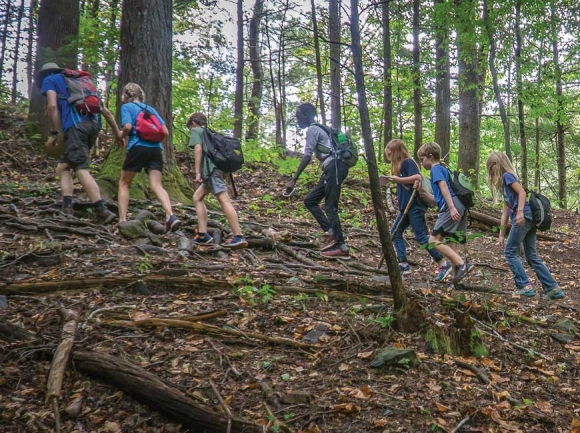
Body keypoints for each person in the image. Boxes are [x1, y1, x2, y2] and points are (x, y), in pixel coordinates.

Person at [36, 62, 121, 224]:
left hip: (75, 126)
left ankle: (101, 210)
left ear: (45, 74)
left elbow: (52, 105)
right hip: (93, 126)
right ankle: (67, 206)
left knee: (80, 168)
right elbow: (106, 112)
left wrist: (54, 133)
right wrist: (117, 133)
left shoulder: (50, 79)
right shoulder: (82, 84)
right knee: (63, 167)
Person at [486, 152, 564, 299]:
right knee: (531, 256)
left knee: (510, 252)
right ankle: (553, 288)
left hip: (523, 218)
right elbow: (505, 212)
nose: (490, 172)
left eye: (491, 167)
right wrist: (501, 234)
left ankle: (524, 286)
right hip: (527, 219)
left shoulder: (507, 176)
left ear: (498, 164)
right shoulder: (504, 184)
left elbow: (522, 193)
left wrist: (520, 212)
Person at [285, 103, 350, 259]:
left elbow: (307, 156)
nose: (296, 118)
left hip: (334, 167)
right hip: (331, 168)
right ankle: (331, 232)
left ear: (307, 115)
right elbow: (319, 154)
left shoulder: (313, 129)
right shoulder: (320, 129)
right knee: (310, 200)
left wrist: (293, 179)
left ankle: (342, 247)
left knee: (330, 206)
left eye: (298, 115)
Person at [380, 139, 449, 280]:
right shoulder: (399, 166)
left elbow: (416, 177)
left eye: (390, 153)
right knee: (395, 232)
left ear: (396, 151)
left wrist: (397, 180)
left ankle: (443, 263)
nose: (389, 157)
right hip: (405, 207)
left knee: (422, 237)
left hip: (414, 206)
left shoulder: (407, 162)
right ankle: (403, 264)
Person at [116, 83, 181, 233]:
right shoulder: (150, 109)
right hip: (156, 149)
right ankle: (170, 215)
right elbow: (165, 132)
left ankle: (123, 220)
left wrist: (120, 136)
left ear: (126, 95)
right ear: (141, 95)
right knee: (156, 185)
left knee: (124, 183)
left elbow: (127, 127)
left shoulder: (127, 107)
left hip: (137, 147)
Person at [187, 112, 248, 249]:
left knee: (223, 200)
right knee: (197, 197)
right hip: (215, 171)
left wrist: (197, 172)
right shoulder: (210, 133)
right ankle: (203, 235)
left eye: (189, 128)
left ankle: (238, 235)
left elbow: (198, 149)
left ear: (193, 123)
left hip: (211, 171)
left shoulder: (197, 130)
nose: (190, 131)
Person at [417, 142, 473, 283]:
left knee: (433, 241)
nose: (421, 163)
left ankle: (461, 264)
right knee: (451, 241)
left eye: (422, 159)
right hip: (458, 204)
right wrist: (421, 192)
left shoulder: (436, 169)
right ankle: (456, 279)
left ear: (430, 156)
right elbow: (437, 199)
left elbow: (443, 187)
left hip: (451, 206)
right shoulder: (444, 169)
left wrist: (451, 207)